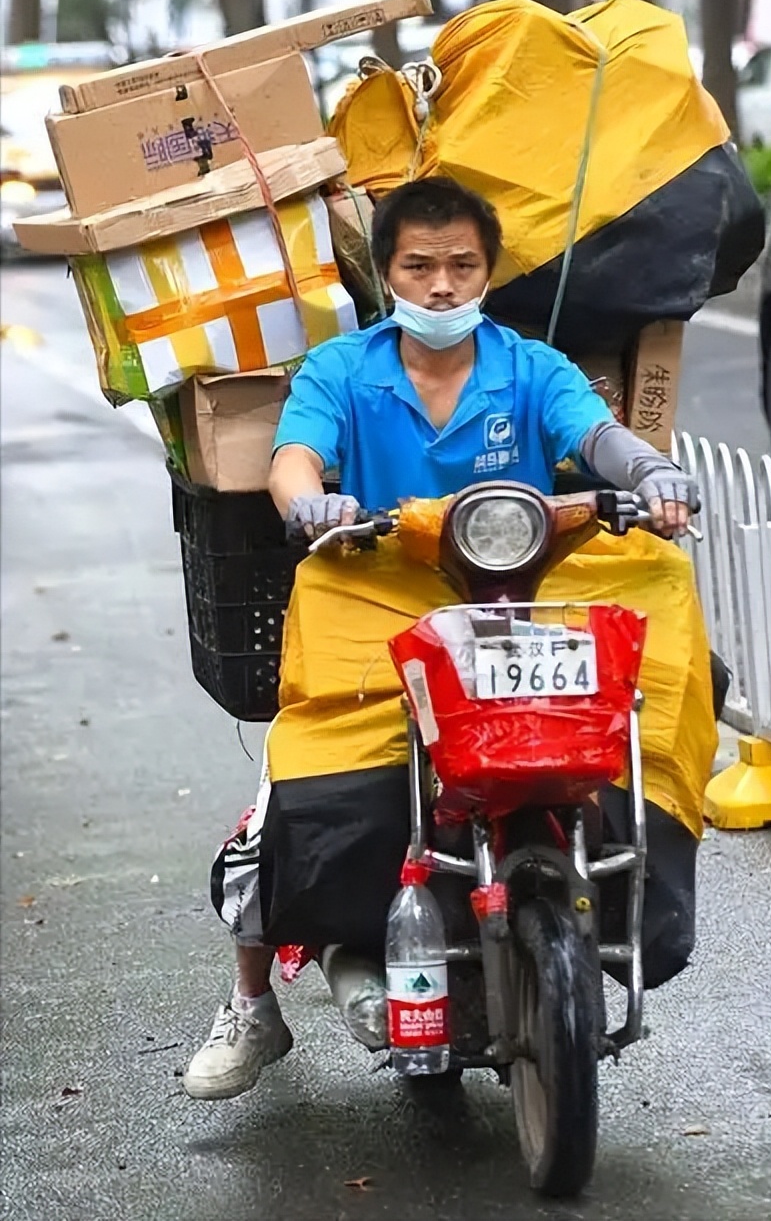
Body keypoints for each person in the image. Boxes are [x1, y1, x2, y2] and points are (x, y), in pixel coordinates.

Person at [183, 176, 699, 1101]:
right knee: (286, 786)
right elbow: (294, 459)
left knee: (643, 673)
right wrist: (311, 502)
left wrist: (651, 471)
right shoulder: (341, 370)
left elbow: (597, 435)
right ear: (386, 274)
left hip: (515, 600)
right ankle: (252, 1003)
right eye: (419, 266)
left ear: (488, 271)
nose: (442, 285)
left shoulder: (531, 367)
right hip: (380, 599)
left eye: (462, 265)